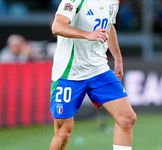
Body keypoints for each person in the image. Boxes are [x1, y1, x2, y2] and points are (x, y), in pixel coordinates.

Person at [49, 0, 137, 150]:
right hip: (69, 72)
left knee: (127, 119)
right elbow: (57, 26)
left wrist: (118, 59)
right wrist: (87, 34)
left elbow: (108, 26)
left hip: (98, 69)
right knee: (63, 134)